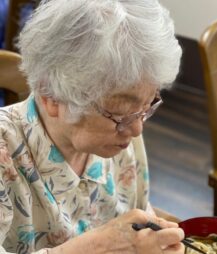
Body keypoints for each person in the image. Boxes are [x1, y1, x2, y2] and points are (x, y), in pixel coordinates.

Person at [0, 0, 183, 253]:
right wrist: (95, 247)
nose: (136, 130)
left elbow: (138, 212)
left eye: (148, 105)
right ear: (51, 95)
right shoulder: (5, 157)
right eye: (120, 114)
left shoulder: (123, 135)